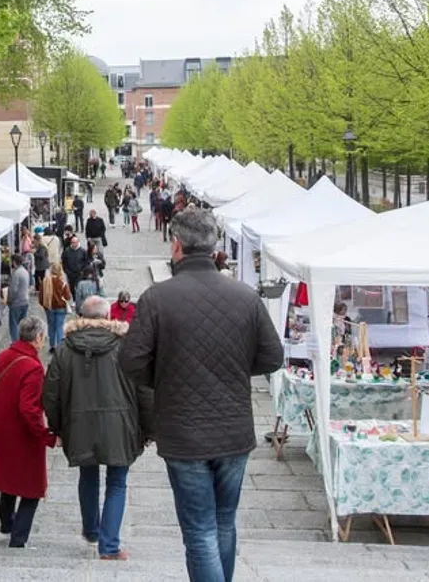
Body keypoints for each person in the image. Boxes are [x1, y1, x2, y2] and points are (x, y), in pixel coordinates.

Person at [120, 208, 283, 582]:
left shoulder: (157, 298)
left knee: (200, 531)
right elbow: (273, 357)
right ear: (213, 246)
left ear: (176, 245)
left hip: (184, 431)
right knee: (224, 523)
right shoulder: (245, 296)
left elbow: (130, 361)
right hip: (233, 429)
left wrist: (167, 376)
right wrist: (236, 368)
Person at [42, 296, 154, 561]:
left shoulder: (65, 349)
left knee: (88, 475)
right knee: (117, 482)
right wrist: (149, 430)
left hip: (79, 424)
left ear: (82, 316)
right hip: (121, 425)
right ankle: (109, 545)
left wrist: (58, 427)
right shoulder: (127, 347)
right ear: (109, 317)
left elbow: (50, 394)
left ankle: (91, 530)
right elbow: (146, 391)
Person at [0, 316, 58, 548]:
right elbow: (29, 409)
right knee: (30, 485)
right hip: (21, 433)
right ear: (37, 338)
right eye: (43, 338)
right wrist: (47, 435)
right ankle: (19, 536)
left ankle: (7, 522)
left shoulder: (3, 356)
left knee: (8, 478)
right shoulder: (33, 368)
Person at [40, 263, 73, 351]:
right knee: (59, 326)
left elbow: (41, 295)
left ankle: (52, 345)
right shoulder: (62, 282)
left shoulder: (45, 281)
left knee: (51, 326)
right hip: (61, 307)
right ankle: (60, 346)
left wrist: (44, 305)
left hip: (49, 307)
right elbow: (68, 297)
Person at [6, 254, 30, 342]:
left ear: (14, 262)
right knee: (22, 325)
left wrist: (9, 300)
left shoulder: (16, 273)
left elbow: (13, 290)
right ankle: (22, 341)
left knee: (14, 325)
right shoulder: (25, 271)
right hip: (25, 301)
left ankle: (15, 343)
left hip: (16, 303)